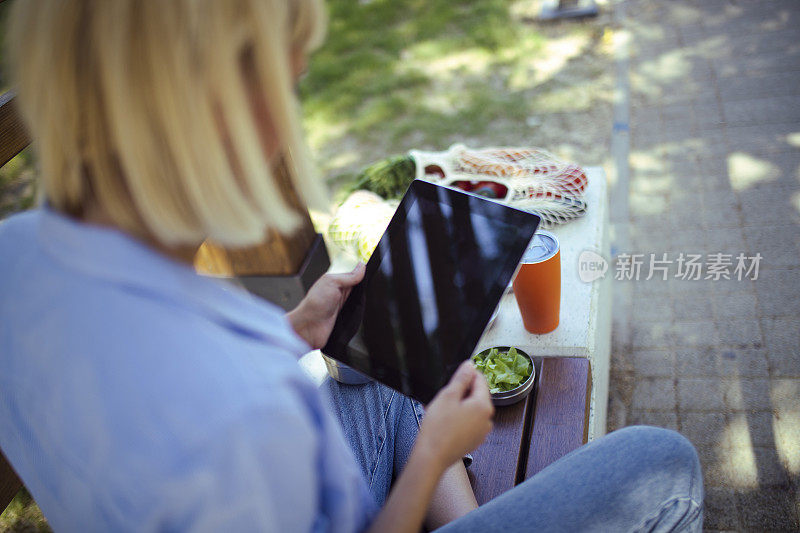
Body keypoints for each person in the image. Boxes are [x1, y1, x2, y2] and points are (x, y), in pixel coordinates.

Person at [0, 1, 703, 531]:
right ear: (218, 109)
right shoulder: (247, 407)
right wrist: (432, 453)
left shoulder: (15, 255)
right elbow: (233, 411)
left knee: (384, 357)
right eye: (288, 84)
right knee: (662, 460)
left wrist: (296, 330)